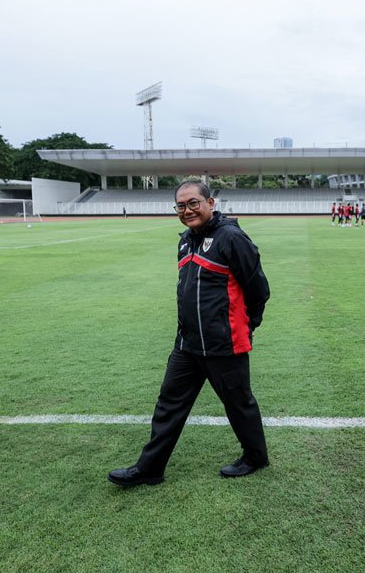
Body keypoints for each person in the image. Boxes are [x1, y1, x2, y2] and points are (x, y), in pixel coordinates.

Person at [108, 181, 271, 487]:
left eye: (193, 203)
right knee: (168, 404)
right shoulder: (185, 240)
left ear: (210, 202)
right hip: (187, 345)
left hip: (224, 344)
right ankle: (150, 468)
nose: (187, 211)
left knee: (239, 404)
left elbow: (258, 290)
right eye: (181, 206)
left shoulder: (232, 237)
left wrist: (247, 326)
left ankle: (255, 457)